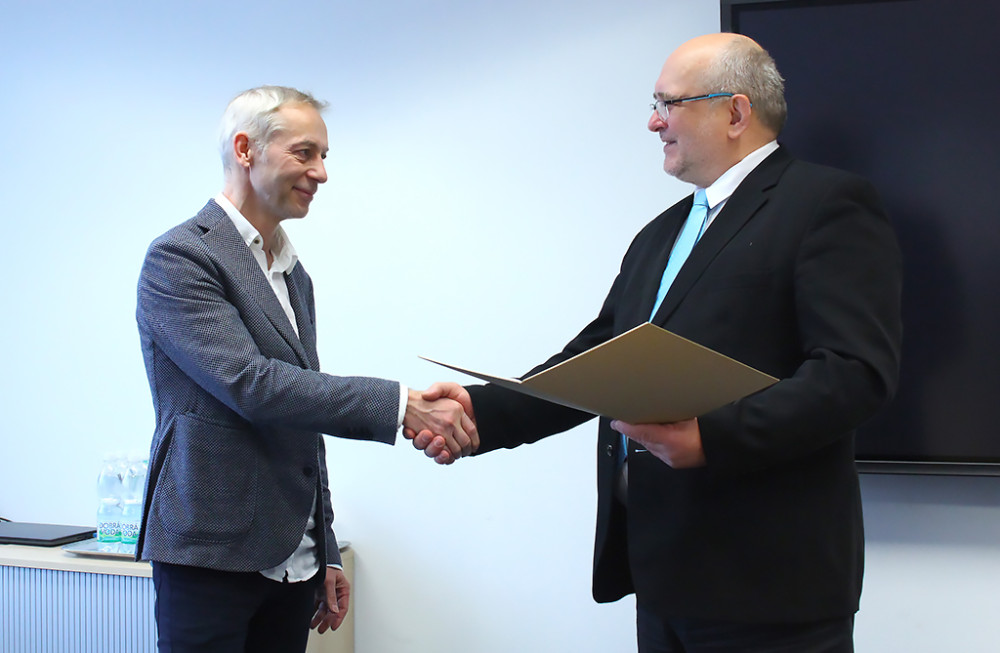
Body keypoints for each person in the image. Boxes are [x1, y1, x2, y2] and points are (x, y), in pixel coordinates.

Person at [410, 33, 902, 652]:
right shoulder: (660, 234)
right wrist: (480, 413)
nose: (653, 122)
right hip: (663, 575)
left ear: (736, 112)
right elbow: (594, 363)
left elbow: (854, 373)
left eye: (669, 104)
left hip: (770, 584)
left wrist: (712, 438)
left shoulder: (826, 205)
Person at [135, 85, 477, 653]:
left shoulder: (294, 274)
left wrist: (324, 547)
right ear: (245, 149)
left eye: (323, 155)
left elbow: (302, 412)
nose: (321, 172)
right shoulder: (181, 257)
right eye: (304, 153)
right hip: (210, 555)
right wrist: (402, 406)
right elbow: (253, 386)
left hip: (293, 561)